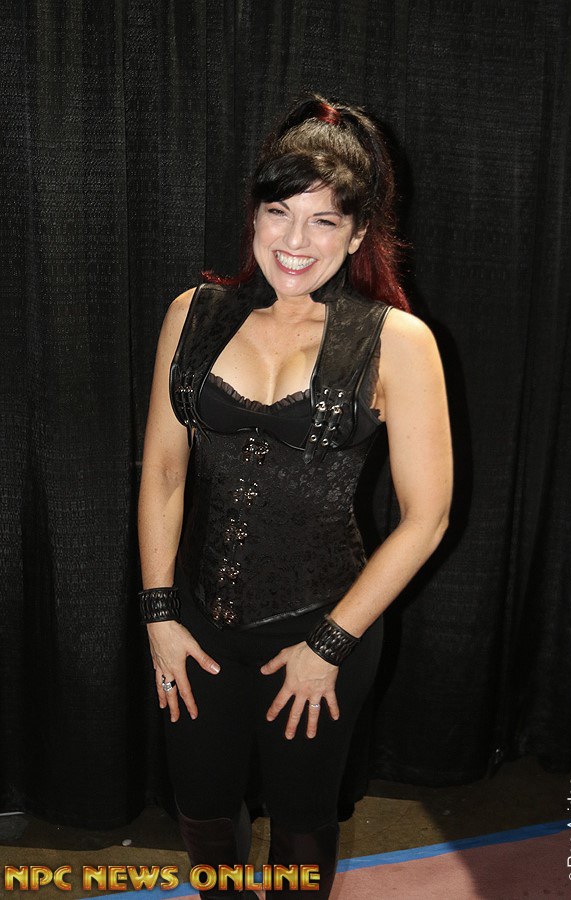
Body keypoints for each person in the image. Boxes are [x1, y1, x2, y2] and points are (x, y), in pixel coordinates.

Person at [137, 94, 453, 898]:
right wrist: (160, 614)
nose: (295, 241)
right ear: (254, 214)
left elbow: (426, 518)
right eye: (279, 212)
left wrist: (329, 645)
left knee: (303, 824)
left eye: (323, 221)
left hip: (324, 624)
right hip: (195, 623)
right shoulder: (193, 314)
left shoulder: (397, 342)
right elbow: (164, 472)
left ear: (358, 233)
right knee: (202, 812)